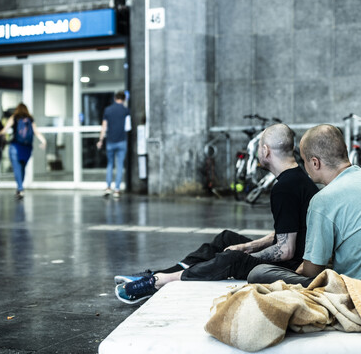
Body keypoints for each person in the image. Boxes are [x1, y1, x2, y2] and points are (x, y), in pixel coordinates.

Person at [115, 123, 318, 304]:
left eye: (258, 148)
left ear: (265, 151)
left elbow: (285, 250)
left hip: (290, 266)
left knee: (231, 259)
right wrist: (248, 245)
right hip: (295, 254)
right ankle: (166, 272)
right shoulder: (297, 178)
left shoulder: (285, 187)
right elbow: (288, 231)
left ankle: (159, 281)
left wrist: (244, 255)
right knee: (226, 238)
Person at [248, 124, 361, 287]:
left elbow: (311, 273)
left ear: (315, 163)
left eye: (304, 161)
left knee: (259, 273)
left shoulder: (323, 199)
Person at [0, 103, 46, 199]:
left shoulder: (14, 117)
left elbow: (4, 130)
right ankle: (20, 188)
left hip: (16, 146)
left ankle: (20, 188)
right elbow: (35, 131)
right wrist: (44, 140)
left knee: (17, 168)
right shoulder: (30, 118)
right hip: (27, 148)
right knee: (22, 168)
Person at [96, 90, 132, 197]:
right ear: (124, 99)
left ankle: (108, 187)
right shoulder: (126, 111)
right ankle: (117, 189)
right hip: (121, 141)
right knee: (119, 165)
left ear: (115, 98)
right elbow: (128, 127)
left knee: (110, 164)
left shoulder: (108, 110)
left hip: (110, 141)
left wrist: (100, 140)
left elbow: (104, 126)